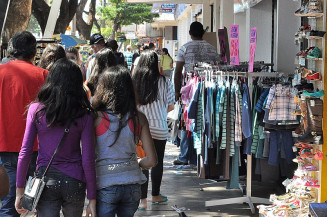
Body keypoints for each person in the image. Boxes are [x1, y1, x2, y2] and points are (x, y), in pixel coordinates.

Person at [15, 58, 97, 217]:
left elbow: (25, 152)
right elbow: (88, 159)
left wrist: (19, 191)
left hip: (46, 182)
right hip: (75, 181)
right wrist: (92, 198)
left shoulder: (36, 110)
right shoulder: (84, 115)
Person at [92, 65, 157, 216]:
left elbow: (88, 155)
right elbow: (152, 160)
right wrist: (138, 162)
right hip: (132, 185)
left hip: (105, 184)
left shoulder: (95, 118)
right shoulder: (138, 118)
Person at [0, 31, 48, 217]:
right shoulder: (44, 75)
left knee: (8, 205)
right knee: (41, 205)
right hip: (38, 150)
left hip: (5, 149)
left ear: (11, 50)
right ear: (33, 51)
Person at [132, 50, 175, 210]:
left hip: (139, 128)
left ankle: (142, 201)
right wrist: (161, 111)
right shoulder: (164, 81)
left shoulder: (135, 81)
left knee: (142, 162)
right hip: (159, 127)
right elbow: (171, 105)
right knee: (157, 162)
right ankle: (155, 195)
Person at [173, 21, 219, 166]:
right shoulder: (212, 49)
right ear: (203, 33)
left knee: (188, 120)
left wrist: (176, 91)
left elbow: (178, 71)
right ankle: (202, 154)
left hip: (189, 89)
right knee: (205, 120)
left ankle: (185, 155)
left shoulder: (184, 48)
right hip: (209, 88)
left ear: (190, 33)